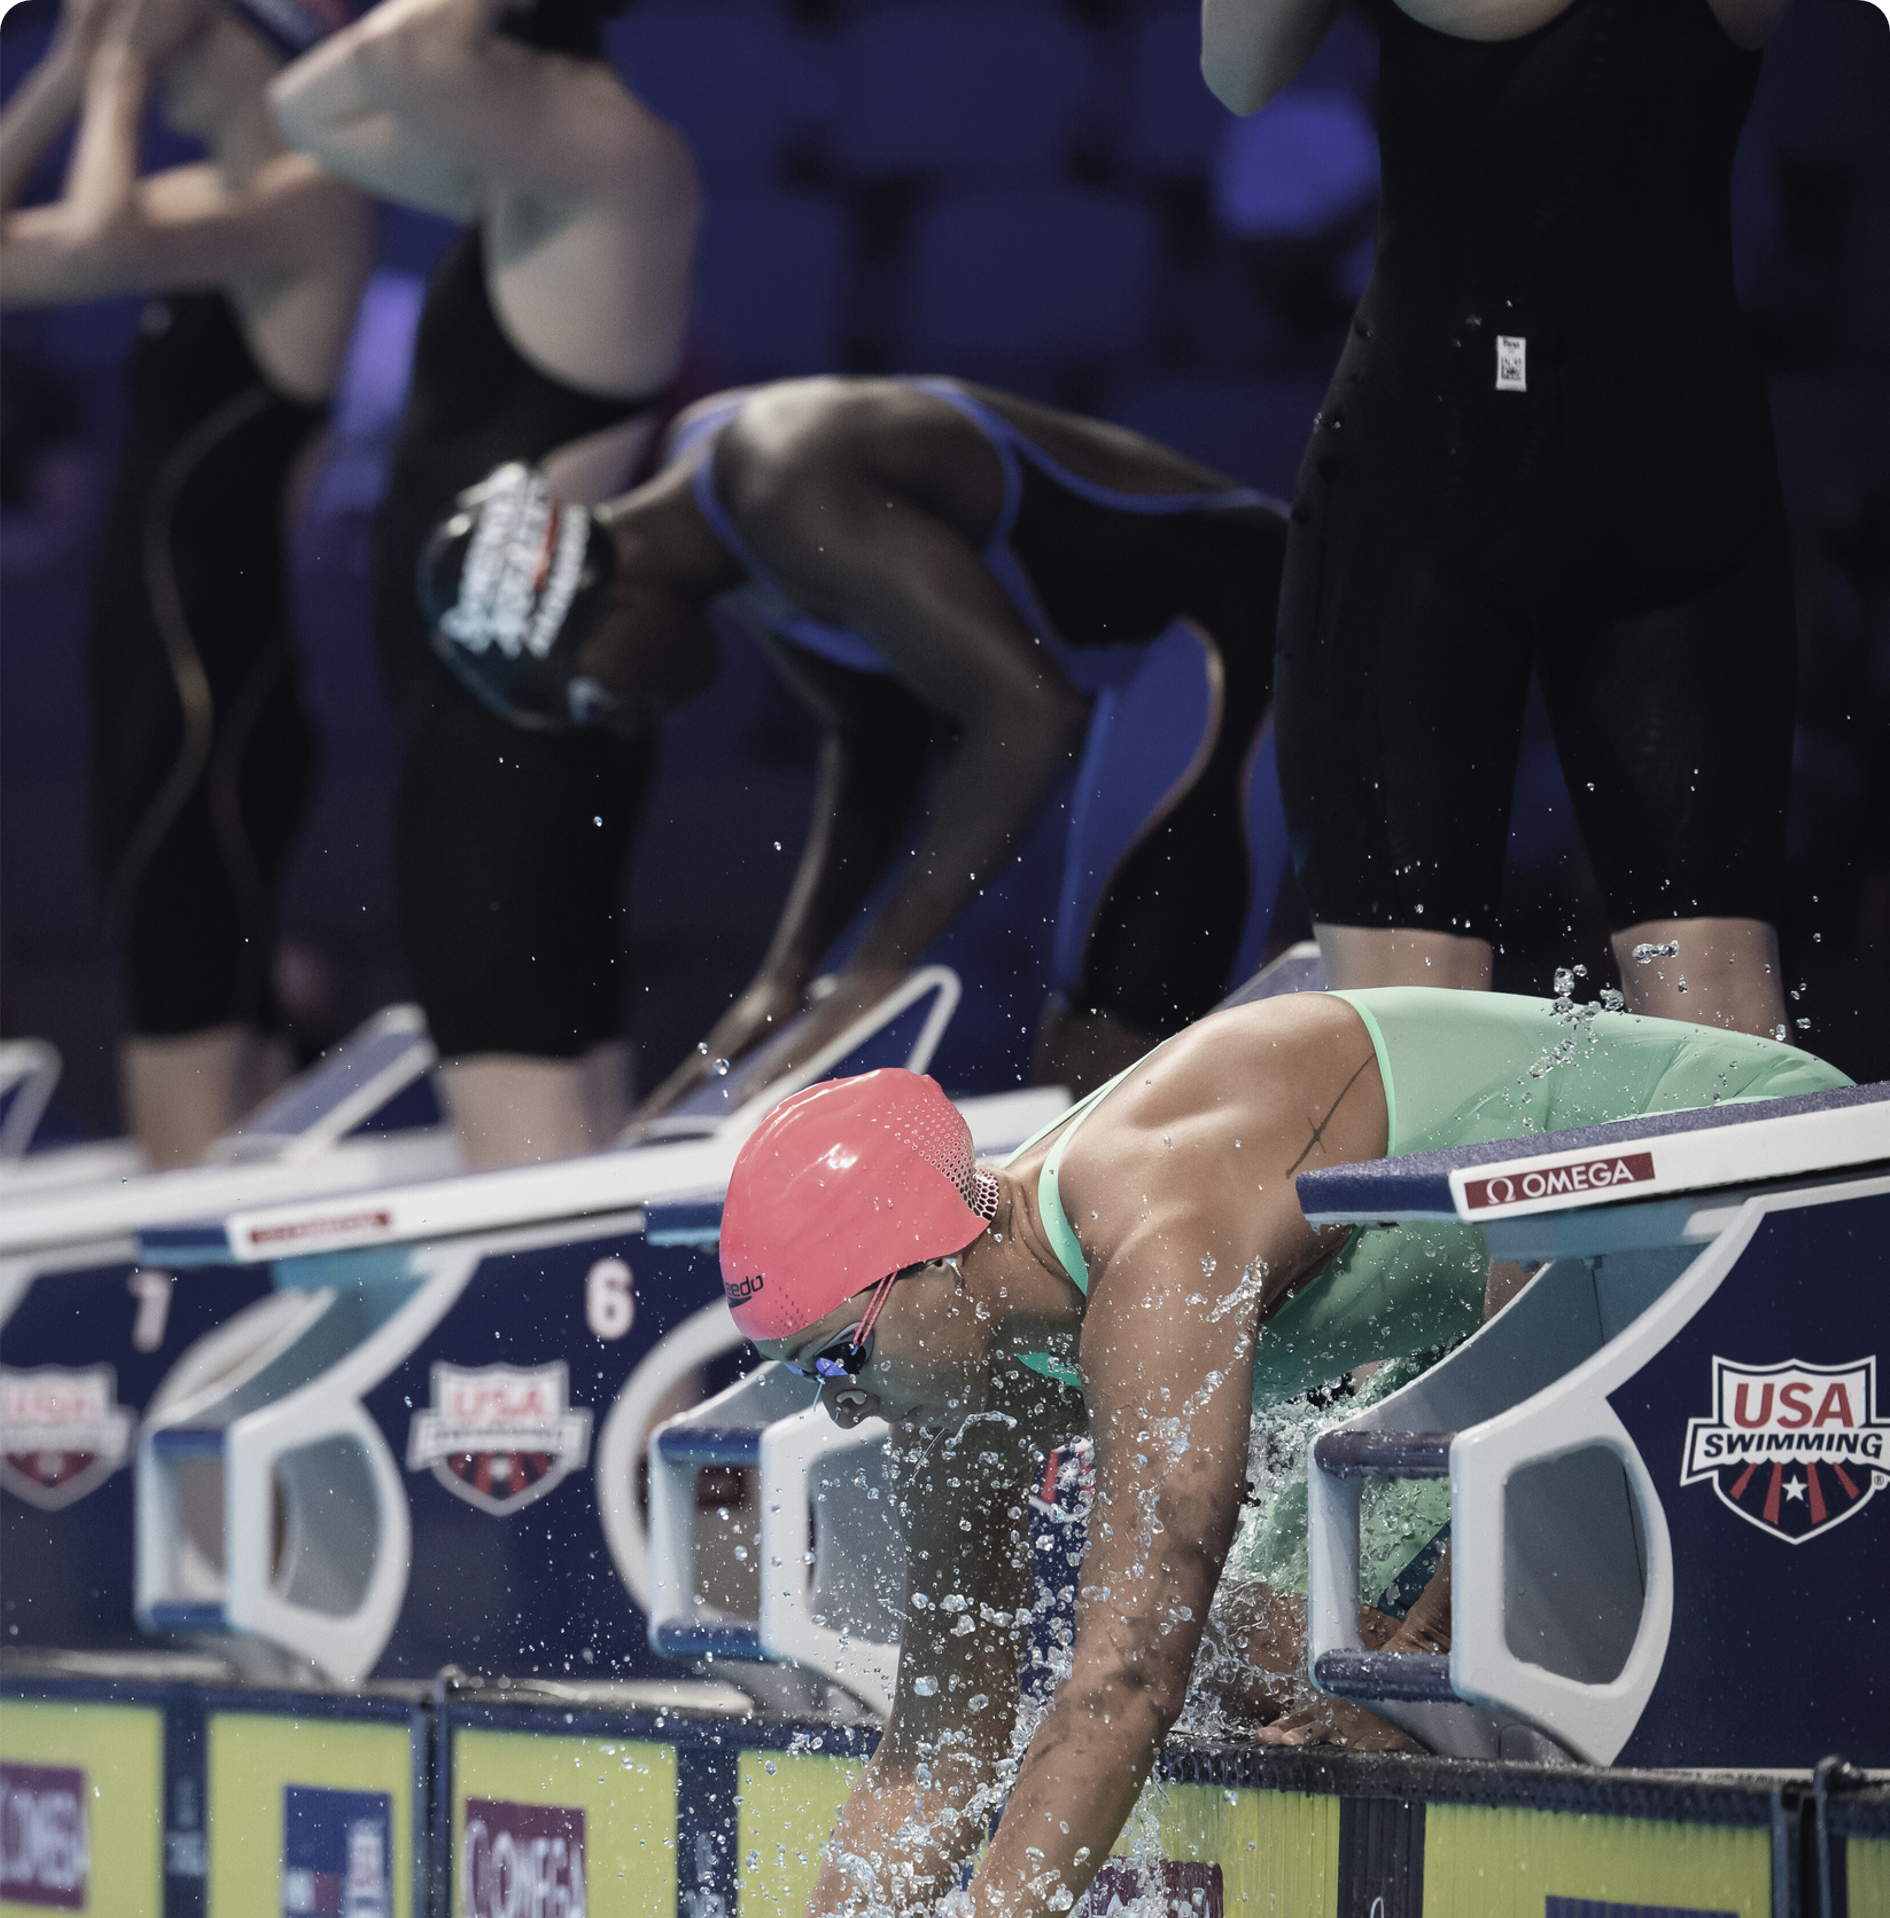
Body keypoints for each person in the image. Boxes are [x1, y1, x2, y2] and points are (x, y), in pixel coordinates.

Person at [649, 988, 1845, 1918]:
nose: (845, 1412)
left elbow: (1122, 1689)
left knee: (1246, 1657)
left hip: (1731, 1173)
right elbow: (938, 1745)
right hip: (1531, 1270)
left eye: (839, 1358)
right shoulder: (957, 1370)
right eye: (806, 1376)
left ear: (934, 1256)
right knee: (1245, 1647)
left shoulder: (1154, 1240)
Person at [417, 376, 1291, 1111]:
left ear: (610, 596)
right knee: (1096, 1070)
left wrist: (874, 972)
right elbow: (878, 735)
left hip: (1236, 621)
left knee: (1108, 1060)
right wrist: (789, 981)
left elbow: (1027, 716)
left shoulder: (780, 481)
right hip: (1156, 662)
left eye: (592, 697)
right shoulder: (726, 511)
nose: (625, 719)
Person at [1203, 0, 1799, 1038]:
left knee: (1414, 1034)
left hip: (1443, 444)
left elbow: (1237, 71)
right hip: (1690, 441)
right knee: (1723, 1030)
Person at [268, 0, 699, 1166]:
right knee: (564, 1113)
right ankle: (618, 1349)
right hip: (509, 701)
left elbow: (393, 57)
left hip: (510, 710)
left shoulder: (609, 150)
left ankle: (578, 1353)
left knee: (527, 1127)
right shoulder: (536, 172)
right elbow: (306, 105)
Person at [0, 0, 371, 1165]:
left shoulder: (314, 199)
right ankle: (225, 1292)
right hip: (163, 668)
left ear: (252, 38)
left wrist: (110, 77)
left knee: (187, 989)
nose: (152, 42)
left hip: (213, 674)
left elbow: (102, 240)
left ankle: (193, 1299)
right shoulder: (221, 204)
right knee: (194, 978)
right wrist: (65, 73)